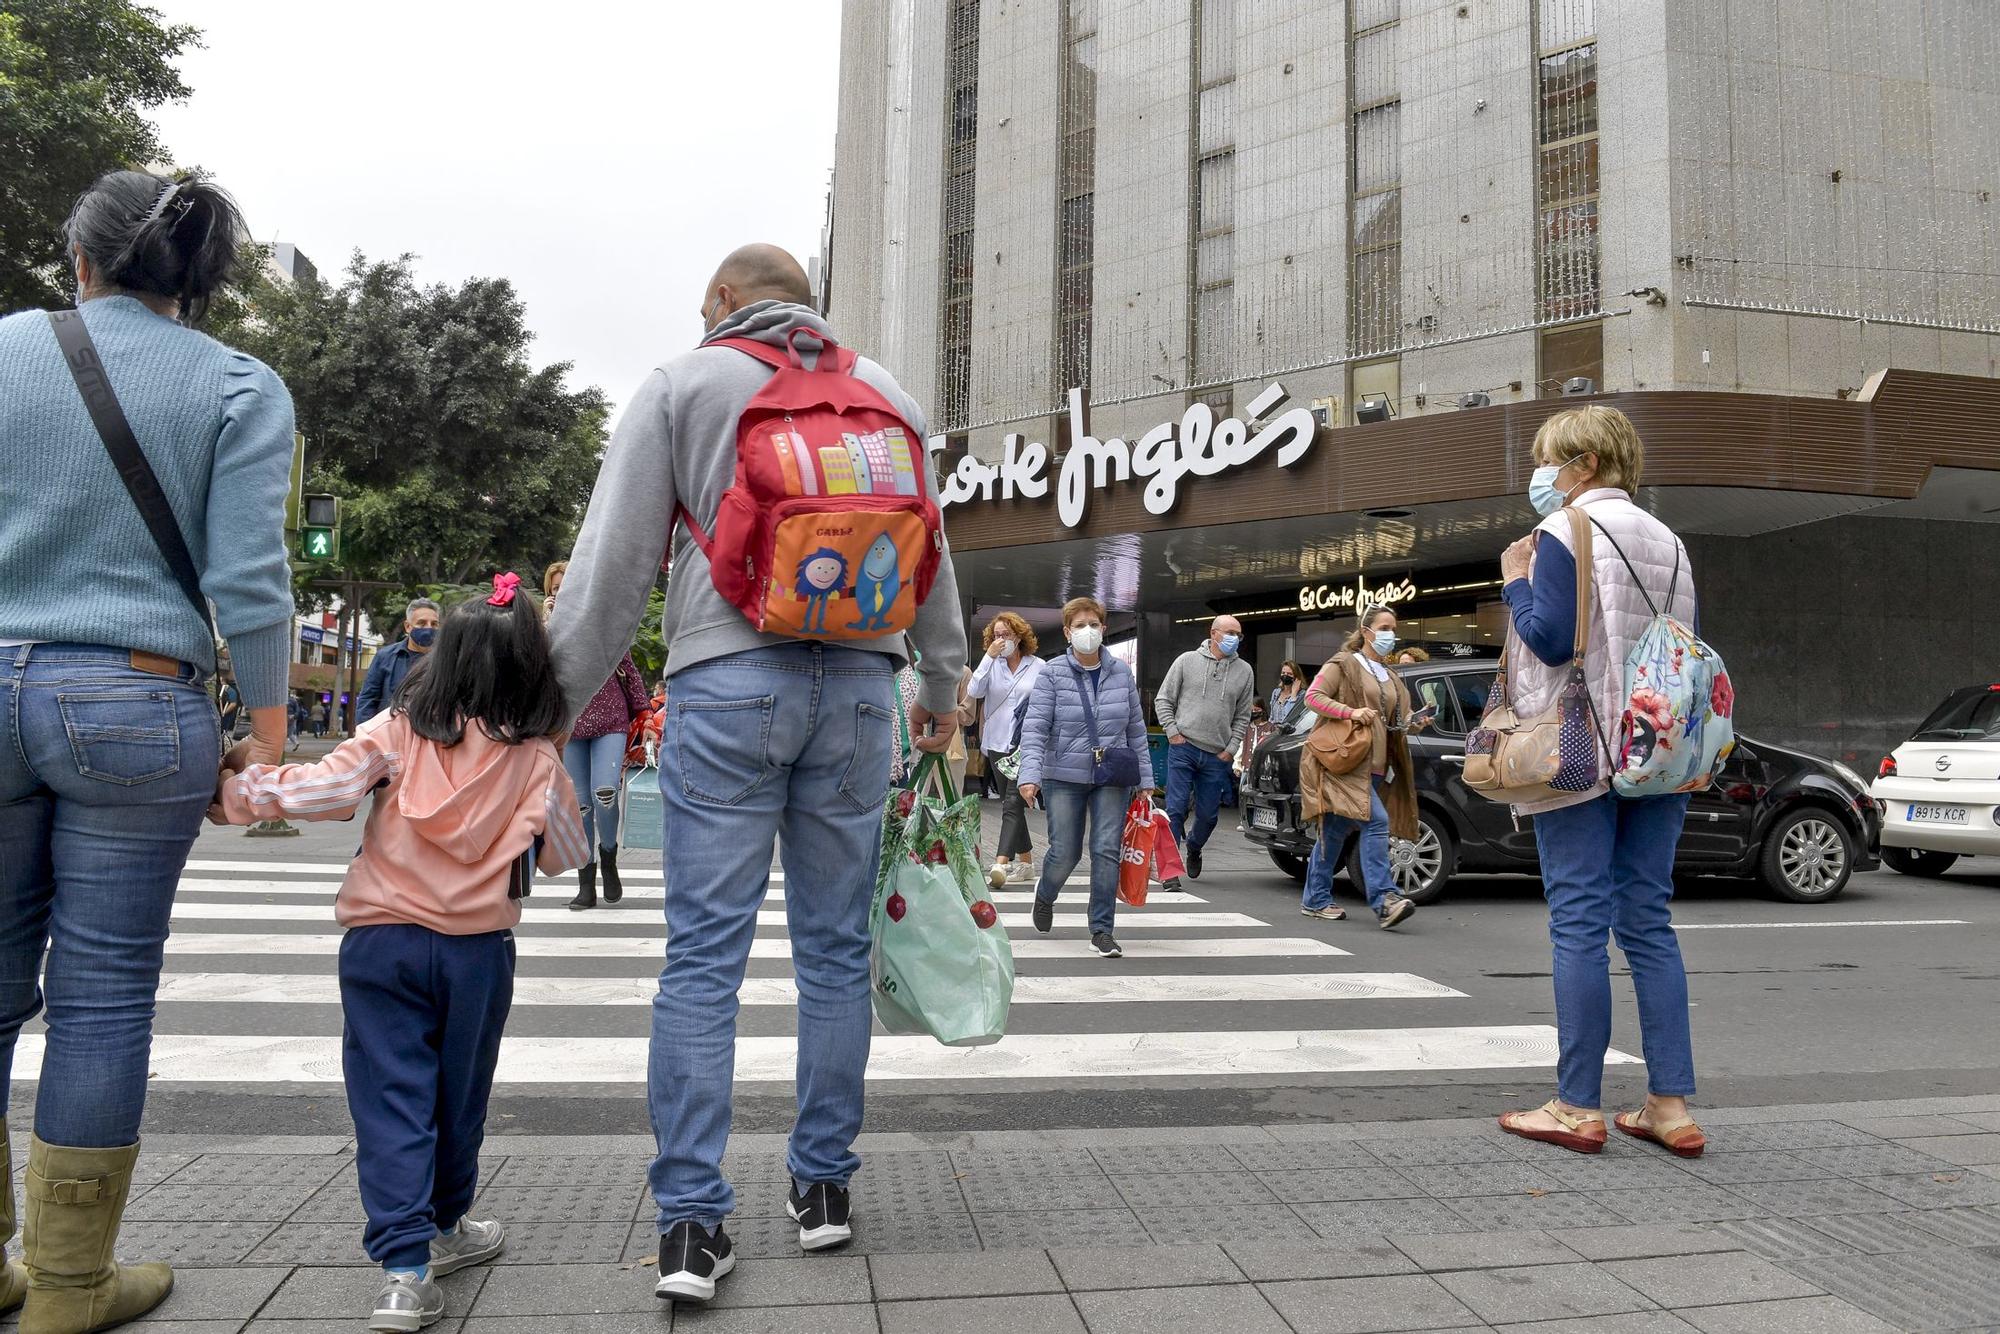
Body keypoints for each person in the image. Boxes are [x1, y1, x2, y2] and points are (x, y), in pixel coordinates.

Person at [545, 244, 966, 1303]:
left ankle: (691, 1221)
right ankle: (821, 1186)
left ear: (726, 301)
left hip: (728, 683)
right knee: (832, 952)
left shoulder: (681, 385)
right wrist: (942, 685)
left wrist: (545, 715)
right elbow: (932, 553)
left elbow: (609, 569)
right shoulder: (886, 395)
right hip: (865, 692)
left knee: (701, 962)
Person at [0, 168, 294, 1330]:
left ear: (80, 259)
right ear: (201, 280)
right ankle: (71, 1284)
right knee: (104, 994)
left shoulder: (7, 347)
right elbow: (249, 582)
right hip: (133, 696)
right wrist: (263, 742)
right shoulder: (236, 383)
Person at [216, 574, 589, 1330]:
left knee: (390, 1096)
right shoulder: (537, 761)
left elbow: (323, 791)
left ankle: (403, 1270)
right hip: (477, 953)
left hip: (380, 944)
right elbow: (565, 857)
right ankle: (448, 1224)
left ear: (442, 657)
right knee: (460, 1095)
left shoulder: (397, 731)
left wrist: (232, 792)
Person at [1494, 406, 1708, 1158]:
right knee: (1647, 922)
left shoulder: (1562, 533)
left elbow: (1551, 638)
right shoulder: (1671, 540)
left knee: (1579, 919)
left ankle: (1576, 1104)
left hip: (1582, 747)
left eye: (1550, 461)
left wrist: (1515, 582)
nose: (1541, 476)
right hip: (1660, 749)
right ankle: (1670, 1105)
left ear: (1583, 465)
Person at [1015, 598, 1152, 958]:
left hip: (1113, 774)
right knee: (1065, 852)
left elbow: (1136, 729)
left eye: (1093, 623)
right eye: (1079, 625)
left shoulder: (1121, 673)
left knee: (1106, 850)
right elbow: (1035, 728)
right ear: (1067, 631)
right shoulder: (1052, 673)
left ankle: (1102, 930)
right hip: (1063, 774)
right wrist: (1030, 775)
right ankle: (1045, 894)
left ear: (1104, 629)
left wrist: (1147, 780)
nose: (1087, 630)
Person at [1299, 606, 1426, 929]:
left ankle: (1314, 899)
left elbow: (1397, 722)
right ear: (1366, 631)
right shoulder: (1345, 663)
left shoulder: (1390, 675)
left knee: (1335, 831)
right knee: (1376, 821)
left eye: (1393, 628)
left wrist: (1415, 723)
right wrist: (1350, 712)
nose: (1390, 634)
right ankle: (1385, 899)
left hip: (1377, 766)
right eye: (1384, 627)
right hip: (1345, 763)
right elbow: (1312, 698)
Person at [545, 560, 649, 911]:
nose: (562, 595)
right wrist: (546, 625)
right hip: (569, 725)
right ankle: (586, 881)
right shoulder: (545, 632)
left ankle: (609, 858)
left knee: (605, 794)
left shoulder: (604, 623)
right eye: (555, 590)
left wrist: (646, 713)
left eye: (568, 587)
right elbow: (534, 670)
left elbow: (629, 668)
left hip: (611, 721)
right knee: (581, 805)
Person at [1155, 615, 1254, 879]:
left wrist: (1230, 749)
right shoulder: (1187, 661)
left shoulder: (1244, 671)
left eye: (1239, 634)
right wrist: (1173, 733)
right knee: (1175, 809)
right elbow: (1163, 699)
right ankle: (1170, 871)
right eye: (1230, 632)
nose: (1235, 638)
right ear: (1213, 633)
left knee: (1209, 816)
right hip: (1183, 747)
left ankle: (1195, 847)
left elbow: (1243, 715)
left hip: (1216, 754)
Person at [965, 612, 1044, 886]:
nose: (1001, 640)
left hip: (1025, 744)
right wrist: (988, 656)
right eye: (997, 635)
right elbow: (974, 691)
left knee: (1012, 803)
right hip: (996, 743)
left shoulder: (1038, 666)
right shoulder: (991, 666)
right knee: (1010, 805)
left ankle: (1001, 863)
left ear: (1019, 636)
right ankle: (1027, 863)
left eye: (1006, 635)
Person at [356, 598, 441, 724]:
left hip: (433, 734)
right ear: (408, 626)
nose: (428, 628)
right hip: (391, 735)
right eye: (422, 623)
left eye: (434, 624)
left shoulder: (447, 659)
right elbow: (368, 698)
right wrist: (367, 736)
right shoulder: (385, 657)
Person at [1268, 660, 1308, 729]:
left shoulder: (1302, 695)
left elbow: (1289, 718)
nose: (1285, 676)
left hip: (1289, 734)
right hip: (1274, 734)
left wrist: (1293, 694)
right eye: (1283, 673)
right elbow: (1272, 718)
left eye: (1289, 674)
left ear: (1296, 677)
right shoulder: (1276, 692)